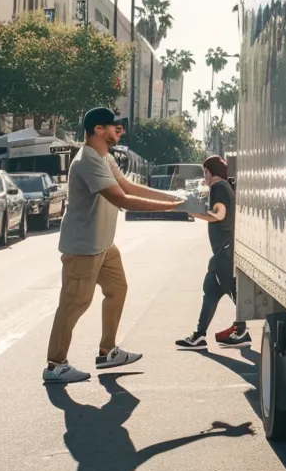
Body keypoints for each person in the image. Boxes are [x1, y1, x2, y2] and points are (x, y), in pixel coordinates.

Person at [44, 108, 188, 384]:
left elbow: (129, 187)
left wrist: (174, 197)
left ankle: (108, 351)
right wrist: (172, 208)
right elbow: (121, 199)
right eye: (115, 126)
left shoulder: (105, 157)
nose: (120, 131)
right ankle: (55, 364)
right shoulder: (87, 160)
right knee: (74, 304)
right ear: (98, 130)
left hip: (103, 245)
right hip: (83, 247)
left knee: (117, 289)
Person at [175, 155, 250, 349]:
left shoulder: (218, 188)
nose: (204, 177)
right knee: (212, 290)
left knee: (232, 291)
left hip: (224, 253)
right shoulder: (223, 187)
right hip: (224, 251)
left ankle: (240, 330)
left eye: (204, 172)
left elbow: (219, 214)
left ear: (210, 171)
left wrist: (194, 213)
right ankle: (200, 335)